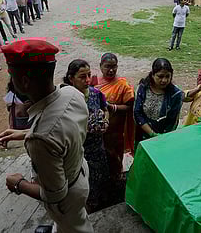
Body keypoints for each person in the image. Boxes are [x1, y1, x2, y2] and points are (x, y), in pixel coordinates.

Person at [0, 39, 94, 233]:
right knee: (76, 221)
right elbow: (63, 135)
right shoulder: (72, 93)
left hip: (67, 196)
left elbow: (55, 195)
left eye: (12, 77)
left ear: (24, 81)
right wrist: (24, 133)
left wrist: (19, 184)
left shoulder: (41, 138)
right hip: (80, 173)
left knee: (75, 228)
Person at [62, 59, 110, 213]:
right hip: (79, 149)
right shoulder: (66, 99)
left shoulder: (96, 93)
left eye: (89, 75)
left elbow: (105, 108)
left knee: (100, 174)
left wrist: (105, 121)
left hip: (97, 146)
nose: (88, 80)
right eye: (82, 77)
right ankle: (86, 205)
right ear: (71, 78)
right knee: (82, 179)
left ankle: (98, 200)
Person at [91, 53, 135, 183]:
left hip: (116, 131)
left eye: (114, 67)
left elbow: (130, 106)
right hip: (98, 131)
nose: (111, 70)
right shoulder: (95, 82)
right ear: (100, 66)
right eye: (107, 66)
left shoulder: (123, 85)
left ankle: (117, 179)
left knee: (115, 156)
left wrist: (112, 107)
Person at [134, 58, 183, 143]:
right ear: (153, 75)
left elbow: (172, 122)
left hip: (162, 138)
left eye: (168, 76)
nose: (164, 80)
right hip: (141, 134)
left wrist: (161, 138)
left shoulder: (175, 95)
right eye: (160, 76)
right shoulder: (143, 88)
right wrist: (151, 133)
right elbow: (137, 113)